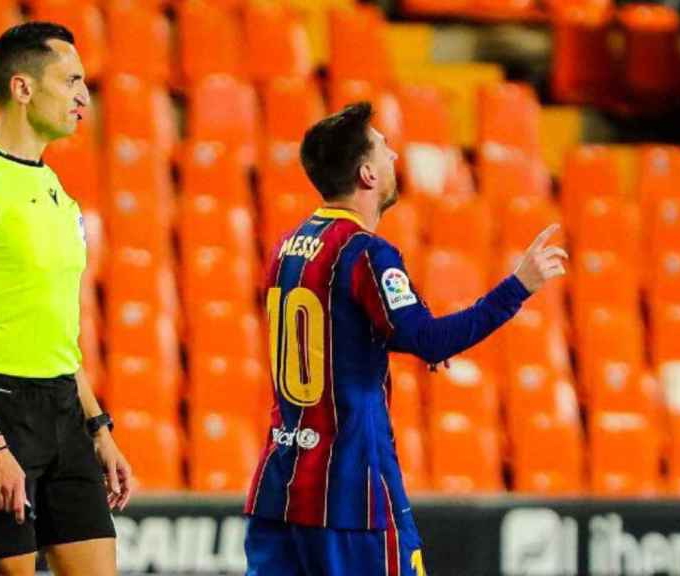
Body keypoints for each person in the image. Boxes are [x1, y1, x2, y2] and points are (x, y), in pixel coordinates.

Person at [243, 102, 568, 575]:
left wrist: (399, 339)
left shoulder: (287, 247)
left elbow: (336, 332)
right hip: (350, 494)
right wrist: (518, 286)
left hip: (280, 486)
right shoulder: (365, 253)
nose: (395, 156)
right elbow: (430, 339)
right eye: (385, 147)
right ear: (367, 174)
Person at [0, 22, 131, 576]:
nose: (83, 97)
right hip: (0, 408)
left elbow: (59, 335)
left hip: (65, 410)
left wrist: (98, 427)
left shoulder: (58, 194)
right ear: (22, 88)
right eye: (70, 81)